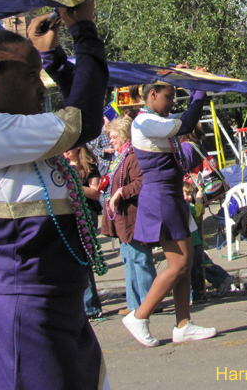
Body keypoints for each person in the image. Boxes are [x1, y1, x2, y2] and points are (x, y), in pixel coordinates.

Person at [0, 0, 110, 390]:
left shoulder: (15, 134)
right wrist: (83, 29)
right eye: (30, 75)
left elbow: (84, 109)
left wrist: (52, 56)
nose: (40, 86)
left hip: (61, 312)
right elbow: (81, 120)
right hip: (25, 318)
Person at [122, 80, 216, 348]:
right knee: (179, 264)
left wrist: (194, 84)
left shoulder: (155, 119)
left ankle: (184, 324)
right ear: (152, 94)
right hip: (161, 197)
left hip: (171, 196)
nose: (173, 101)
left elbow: (183, 120)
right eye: (169, 96)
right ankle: (139, 316)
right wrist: (198, 90)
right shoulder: (144, 122)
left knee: (185, 265)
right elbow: (186, 124)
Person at [100, 117, 155, 314]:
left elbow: (142, 182)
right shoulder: (120, 157)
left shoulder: (133, 156)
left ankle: (150, 302)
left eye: (114, 137)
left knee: (140, 259)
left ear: (125, 137)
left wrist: (120, 192)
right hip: (123, 217)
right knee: (129, 260)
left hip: (134, 216)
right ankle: (134, 304)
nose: (111, 141)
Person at [64, 144, 103, 319]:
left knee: (84, 258)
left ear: (79, 148)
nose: (66, 151)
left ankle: (90, 306)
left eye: (69, 148)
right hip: (66, 214)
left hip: (86, 213)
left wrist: (73, 185)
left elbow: (95, 193)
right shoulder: (60, 166)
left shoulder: (89, 167)